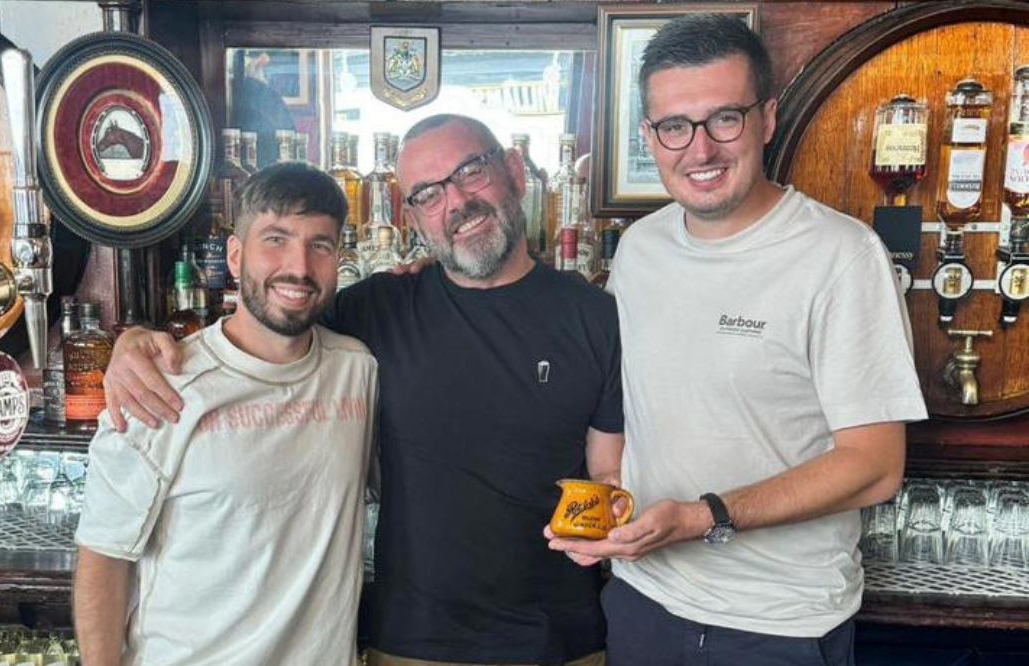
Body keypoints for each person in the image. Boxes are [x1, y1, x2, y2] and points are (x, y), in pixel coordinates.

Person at [101, 114, 624, 666]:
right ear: (414, 217)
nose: (456, 203)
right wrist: (133, 341)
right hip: (410, 644)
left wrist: (618, 512)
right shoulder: (376, 309)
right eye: (428, 194)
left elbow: (606, 471)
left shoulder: (595, 316)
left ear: (515, 171)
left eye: (470, 172)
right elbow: (268, 324)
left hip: (562, 643)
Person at [546, 14, 927, 666]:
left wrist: (702, 517)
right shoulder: (640, 249)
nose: (699, 150)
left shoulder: (840, 256)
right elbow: (631, 409)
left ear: (767, 119)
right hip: (641, 603)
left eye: (724, 118)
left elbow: (874, 466)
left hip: (773, 626)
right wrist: (609, 502)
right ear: (649, 136)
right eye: (674, 126)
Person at [73, 162, 378, 666]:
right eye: (275, 239)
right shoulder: (159, 385)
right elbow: (104, 558)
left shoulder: (357, 370)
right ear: (235, 256)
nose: (298, 267)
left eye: (319, 245)